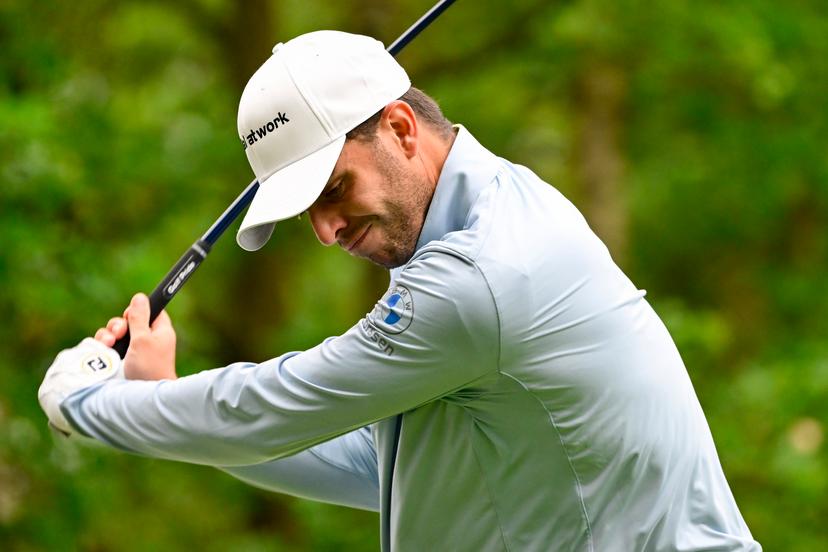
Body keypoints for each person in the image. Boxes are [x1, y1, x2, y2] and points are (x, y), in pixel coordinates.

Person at [38, 31, 761, 551]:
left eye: (334, 190)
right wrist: (165, 397)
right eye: (305, 213)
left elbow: (270, 410)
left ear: (401, 128)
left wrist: (84, 403)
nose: (325, 231)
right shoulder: (500, 205)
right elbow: (373, 467)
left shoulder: (475, 279)